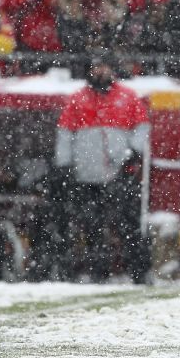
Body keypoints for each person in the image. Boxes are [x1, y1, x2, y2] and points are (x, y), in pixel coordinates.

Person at [53, 55, 151, 283]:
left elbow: (142, 126)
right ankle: (99, 271)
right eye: (95, 67)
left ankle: (139, 272)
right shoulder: (77, 99)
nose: (99, 72)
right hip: (86, 175)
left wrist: (133, 152)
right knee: (92, 227)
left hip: (121, 173)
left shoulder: (128, 97)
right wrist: (64, 164)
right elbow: (65, 133)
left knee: (128, 224)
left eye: (103, 66)